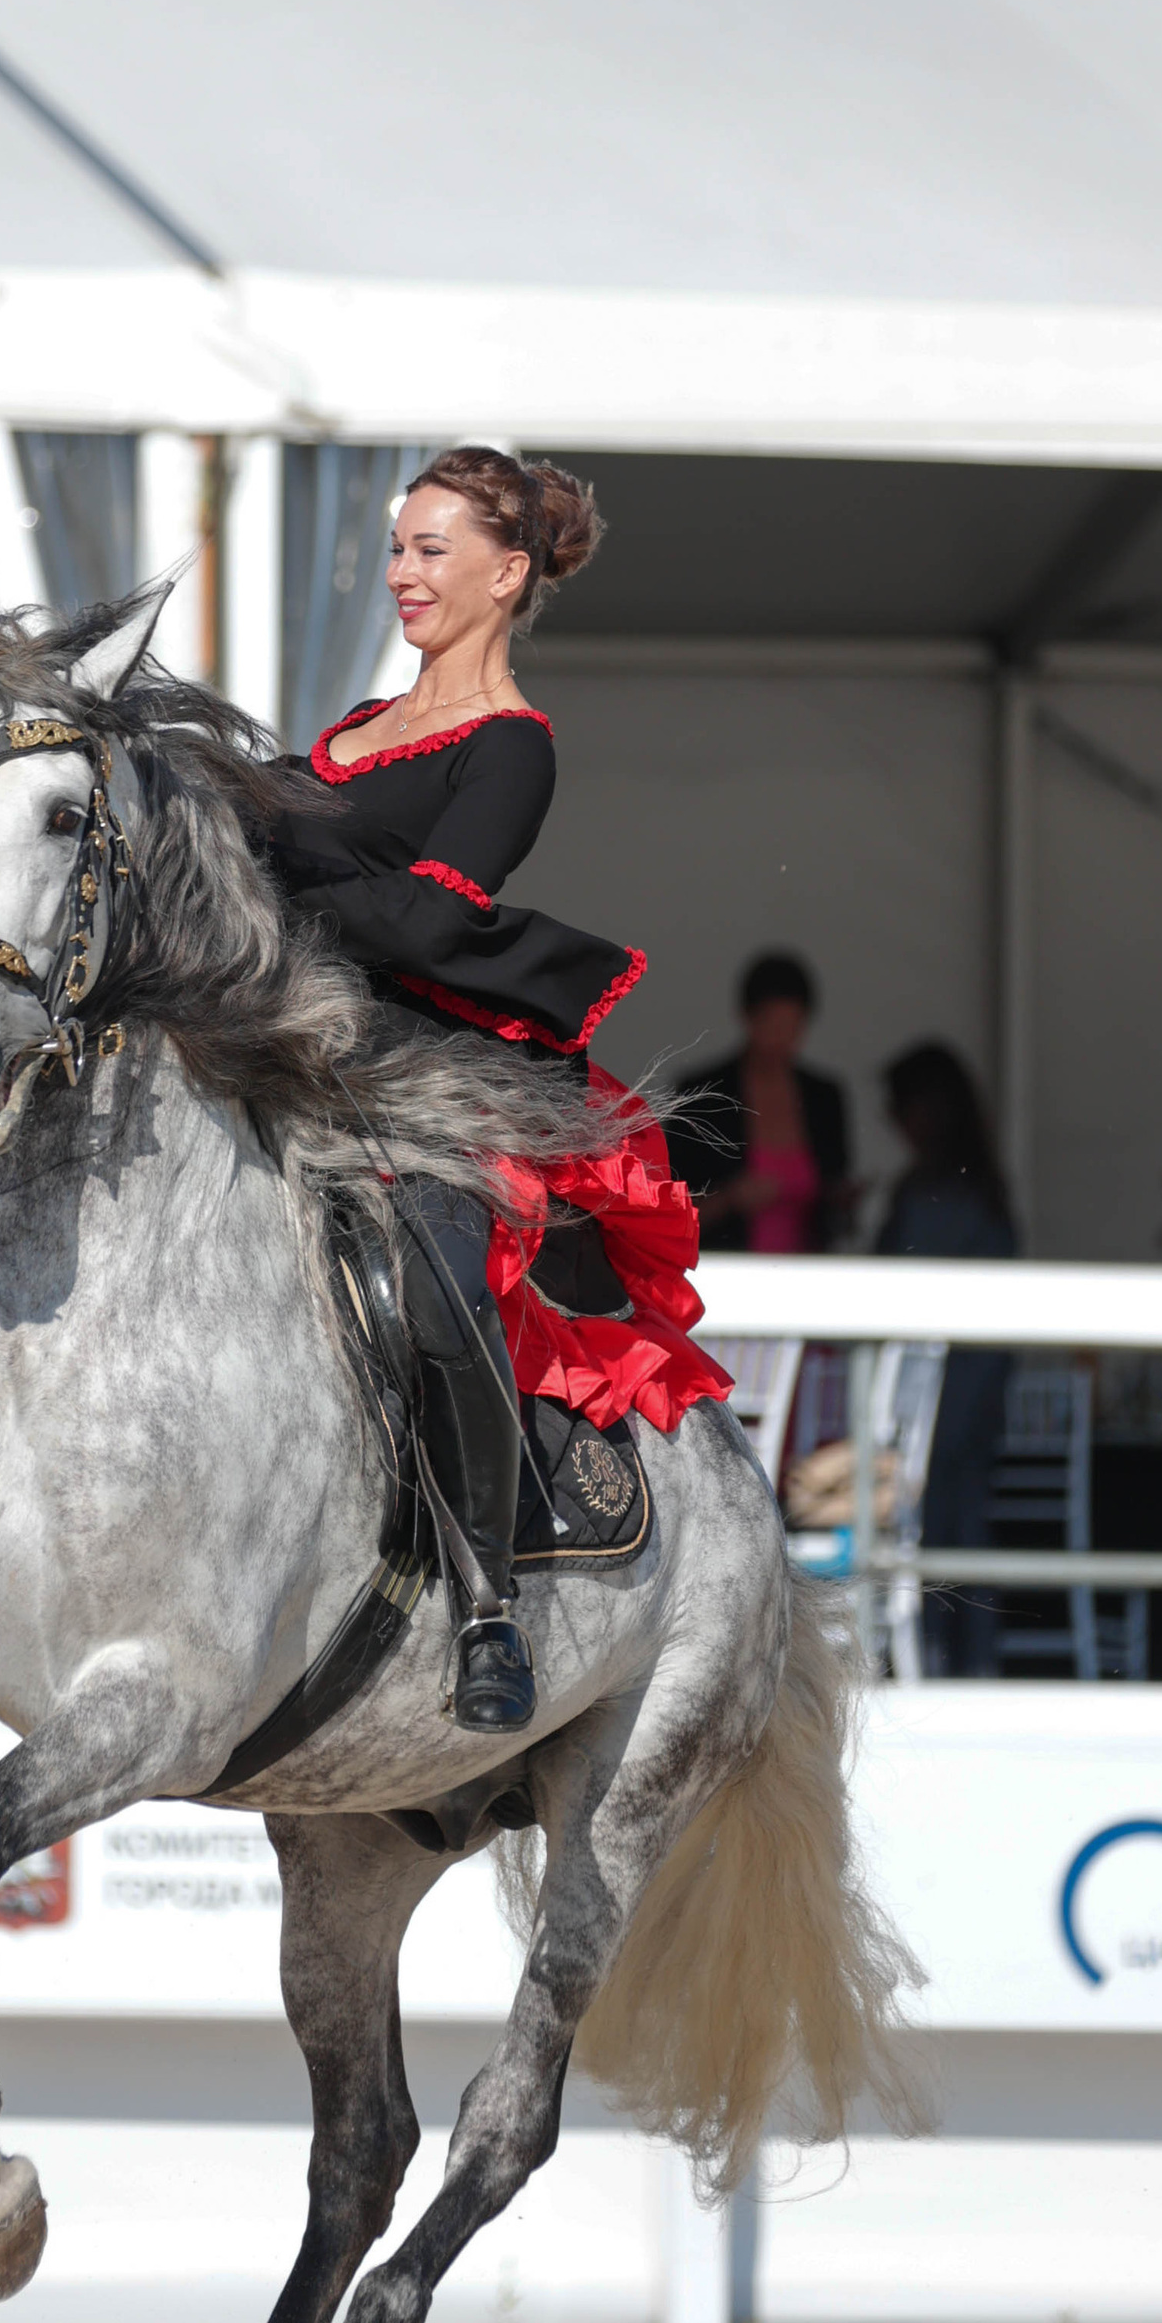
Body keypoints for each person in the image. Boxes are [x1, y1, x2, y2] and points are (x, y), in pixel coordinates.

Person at [264, 444, 726, 1736]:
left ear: (506, 570)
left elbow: (419, 926)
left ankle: (483, 1602)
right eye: (399, 548)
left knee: (442, 1281)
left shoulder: (511, 746)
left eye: (429, 548)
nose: (401, 573)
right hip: (300, 1050)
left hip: (431, 1074)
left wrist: (272, 887)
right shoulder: (349, 735)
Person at [874, 1040, 1019, 1680]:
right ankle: (975, 1665)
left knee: (923, 1527)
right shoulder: (983, 1186)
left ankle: (927, 1662)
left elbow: (893, 1279)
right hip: (979, 1379)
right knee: (964, 1528)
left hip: (935, 1390)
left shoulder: (934, 1191)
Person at [664, 952, 853, 1254]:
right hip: (725, 1265)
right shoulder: (705, 1095)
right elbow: (668, 1205)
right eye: (772, 1025)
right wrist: (730, 1198)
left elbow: (836, 1193)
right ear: (748, 1018)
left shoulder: (824, 1097)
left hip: (812, 1271)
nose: (781, 1040)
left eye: (792, 1028)